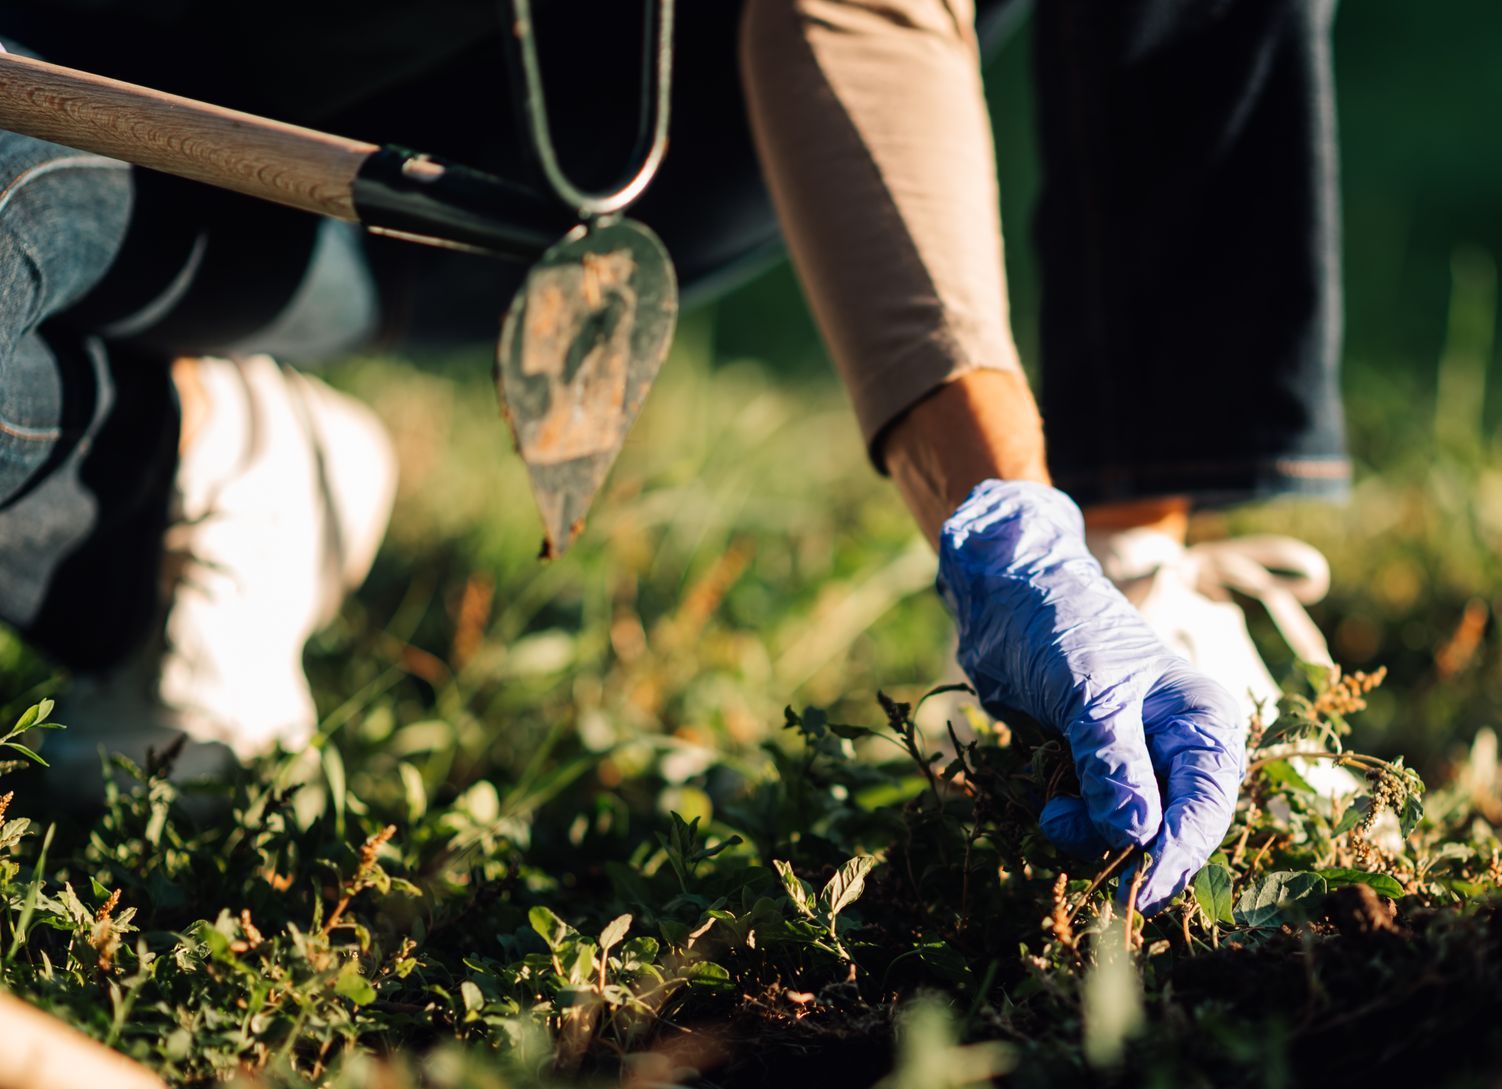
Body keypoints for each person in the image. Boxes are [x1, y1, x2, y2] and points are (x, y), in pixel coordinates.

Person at [0, 0, 1347, 914]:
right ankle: (183, 478)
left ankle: (1137, 563)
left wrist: (1010, 525)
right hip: (116, 95)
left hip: (609, 127)